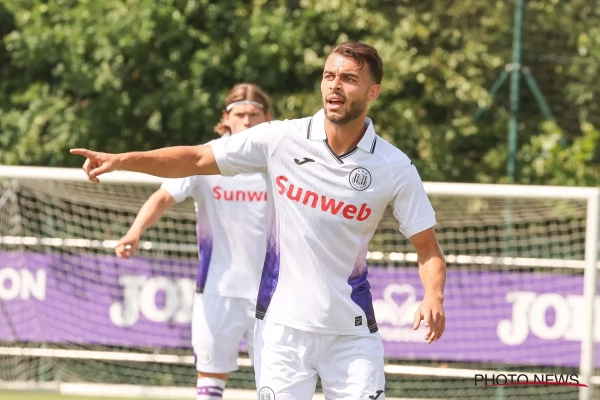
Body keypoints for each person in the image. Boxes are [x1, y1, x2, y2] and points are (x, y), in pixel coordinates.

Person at [72, 42, 447, 400]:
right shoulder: (281, 139)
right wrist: (123, 160)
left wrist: (433, 295)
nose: (335, 85)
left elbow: (428, 249)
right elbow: (196, 159)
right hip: (282, 332)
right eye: (328, 75)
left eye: (349, 78)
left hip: (351, 334)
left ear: (372, 92)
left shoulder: (394, 166)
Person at [114, 83, 272, 400]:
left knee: (276, 384)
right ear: (226, 118)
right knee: (210, 382)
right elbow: (163, 196)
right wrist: (135, 230)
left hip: (272, 295)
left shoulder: (279, 160)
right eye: (240, 114)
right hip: (217, 290)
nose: (247, 121)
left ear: (267, 118)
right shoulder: (206, 159)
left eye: (254, 114)